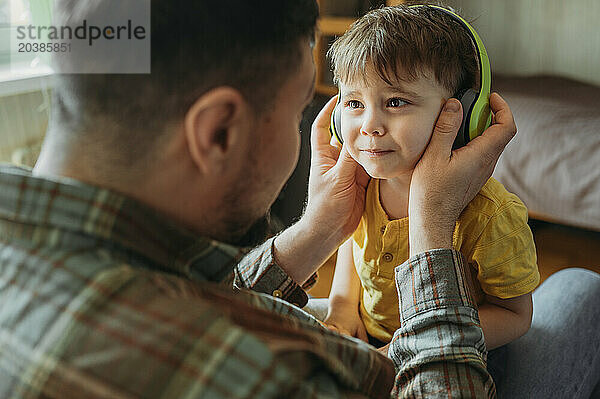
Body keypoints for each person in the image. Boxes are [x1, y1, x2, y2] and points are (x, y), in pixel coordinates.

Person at [0, 1, 598, 398]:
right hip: (411, 364)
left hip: (367, 338)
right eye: (299, 113)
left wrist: (312, 232)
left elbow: (203, 288)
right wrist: (431, 225)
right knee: (579, 292)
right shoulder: (257, 374)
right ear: (219, 133)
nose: (353, 132)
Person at [323, 4, 538, 361]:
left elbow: (515, 315)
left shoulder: (490, 216)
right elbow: (355, 240)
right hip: (374, 338)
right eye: (354, 103)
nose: (369, 125)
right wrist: (342, 304)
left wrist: (405, 348)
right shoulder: (362, 181)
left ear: (463, 113)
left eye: (395, 101)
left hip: (462, 355)